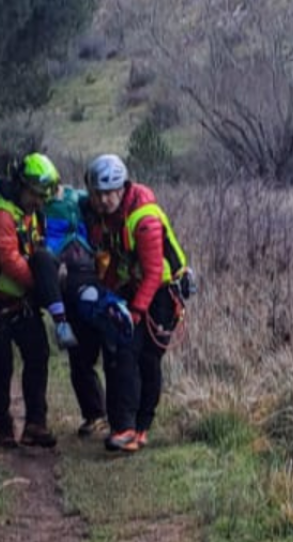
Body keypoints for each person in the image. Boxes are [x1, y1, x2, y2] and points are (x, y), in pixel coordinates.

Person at [84, 154, 194, 453]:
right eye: (98, 193)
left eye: (109, 193)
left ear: (122, 189)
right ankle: (126, 427)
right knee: (125, 355)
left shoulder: (144, 219)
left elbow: (154, 271)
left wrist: (134, 313)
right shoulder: (106, 217)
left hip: (161, 293)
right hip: (133, 288)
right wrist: (107, 296)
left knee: (147, 359)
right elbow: (115, 262)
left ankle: (141, 427)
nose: (104, 200)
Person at [0, 152, 67, 449]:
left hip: (20, 301)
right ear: (22, 185)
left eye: (43, 197)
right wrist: (44, 288)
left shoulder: (32, 211)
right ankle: (2, 422)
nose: (39, 202)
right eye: (36, 195)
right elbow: (10, 261)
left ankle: (36, 423)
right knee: (1, 363)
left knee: (38, 354)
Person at [42, 185, 134, 438]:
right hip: (90, 282)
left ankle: (102, 416)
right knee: (99, 354)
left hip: (81, 281)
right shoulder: (84, 208)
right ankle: (108, 419)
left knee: (85, 355)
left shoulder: (87, 210)